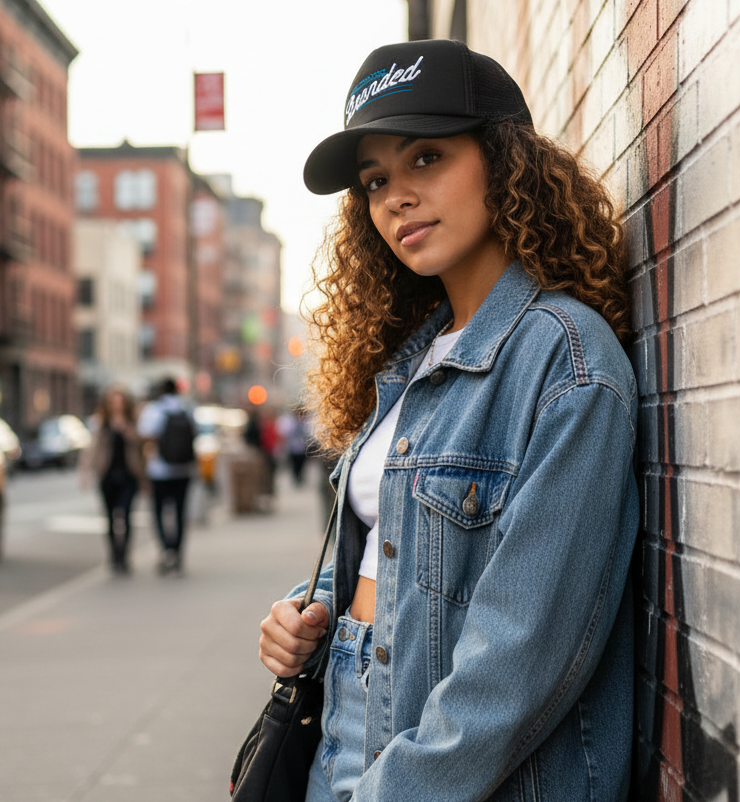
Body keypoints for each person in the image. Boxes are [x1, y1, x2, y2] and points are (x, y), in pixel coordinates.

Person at [258, 39, 639, 802]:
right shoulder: (411, 360)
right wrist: (315, 607)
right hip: (346, 735)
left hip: (455, 771)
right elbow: (399, 547)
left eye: (426, 158)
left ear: (504, 161)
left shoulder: (564, 361)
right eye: (376, 180)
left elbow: (522, 659)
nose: (395, 197)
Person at [81, 386, 144, 574]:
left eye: (120, 401)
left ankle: (124, 556)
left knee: (125, 515)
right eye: (113, 401)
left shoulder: (133, 422)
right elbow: (91, 448)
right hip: (107, 475)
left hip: (129, 475)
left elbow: (143, 447)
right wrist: (85, 472)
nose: (117, 405)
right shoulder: (101, 422)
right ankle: (114, 556)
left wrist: (131, 435)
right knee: (109, 518)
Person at [137, 377, 195, 574]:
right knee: (180, 513)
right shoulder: (186, 407)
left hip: (159, 470)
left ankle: (166, 550)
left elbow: (144, 435)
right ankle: (178, 552)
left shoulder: (154, 410)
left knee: (159, 513)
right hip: (184, 469)